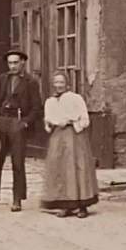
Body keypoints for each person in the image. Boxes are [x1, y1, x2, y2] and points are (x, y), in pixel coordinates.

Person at [0, 48, 42, 212]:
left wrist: (25, 122)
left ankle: (17, 199)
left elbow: (36, 107)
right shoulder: (2, 79)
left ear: (23, 63)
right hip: (2, 121)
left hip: (18, 123)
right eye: (10, 63)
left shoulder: (31, 82)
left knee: (18, 163)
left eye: (15, 63)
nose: (12, 66)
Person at [40, 71, 98, 219]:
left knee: (77, 167)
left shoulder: (76, 98)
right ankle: (64, 204)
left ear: (67, 84)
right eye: (56, 82)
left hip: (74, 136)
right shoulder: (50, 101)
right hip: (57, 137)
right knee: (59, 168)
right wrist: (51, 123)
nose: (59, 85)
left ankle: (82, 205)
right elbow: (47, 121)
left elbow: (85, 119)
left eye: (61, 82)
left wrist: (71, 121)